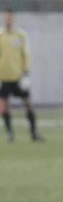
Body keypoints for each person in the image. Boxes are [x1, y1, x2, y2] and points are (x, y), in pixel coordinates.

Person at [0, 10, 44, 142]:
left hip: (19, 77)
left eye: (10, 18)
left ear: (13, 19)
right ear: (4, 19)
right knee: (5, 106)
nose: (8, 20)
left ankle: (34, 133)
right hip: (4, 78)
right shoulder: (0, 36)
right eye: (6, 18)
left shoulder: (20, 36)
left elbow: (26, 55)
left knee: (28, 104)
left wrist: (26, 74)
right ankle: (10, 133)